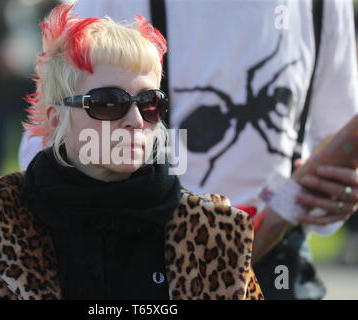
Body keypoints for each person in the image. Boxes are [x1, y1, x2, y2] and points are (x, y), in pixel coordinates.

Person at [19, 0, 358, 299]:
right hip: (156, 260)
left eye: (150, 104)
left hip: (277, 255)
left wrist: (335, 188)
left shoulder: (323, 5)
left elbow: (336, 129)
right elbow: (52, 132)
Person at [0, 4, 264, 300]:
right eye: (109, 103)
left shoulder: (215, 236)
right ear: (56, 118)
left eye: (150, 103)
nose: (135, 120)